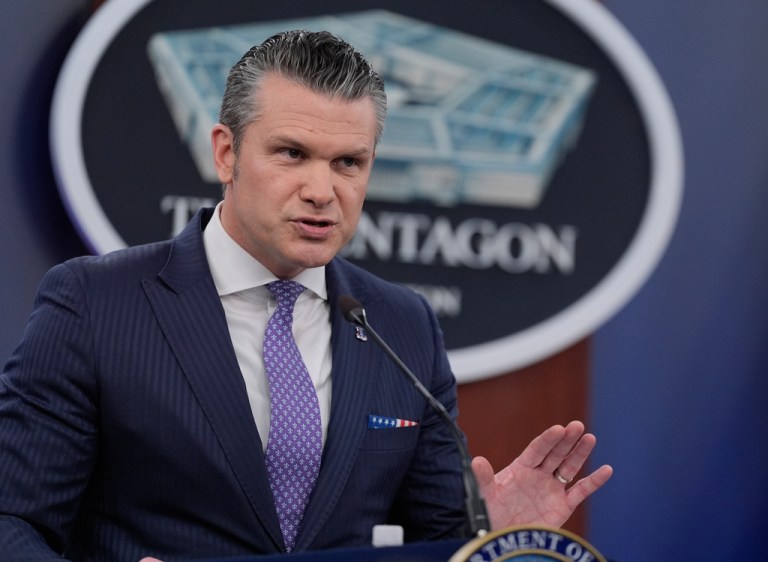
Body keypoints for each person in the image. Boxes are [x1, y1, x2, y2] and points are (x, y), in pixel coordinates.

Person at [0, 30, 612, 562]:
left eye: (349, 162)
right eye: (292, 153)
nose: (322, 190)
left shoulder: (402, 326)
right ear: (226, 151)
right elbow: (13, 521)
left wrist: (487, 540)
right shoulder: (97, 303)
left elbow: (433, 541)